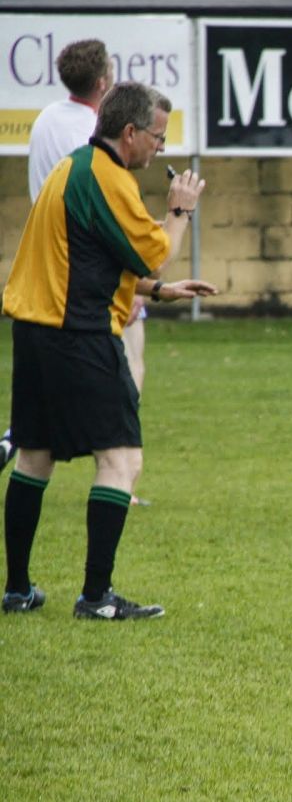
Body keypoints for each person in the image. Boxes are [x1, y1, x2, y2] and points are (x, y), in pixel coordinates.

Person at [1, 81, 218, 618]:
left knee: (34, 456)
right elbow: (155, 255)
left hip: (34, 328)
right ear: (129, 133)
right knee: (121, 460)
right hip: (78, 334)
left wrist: (162, 294)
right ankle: (97, 598)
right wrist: (181, 210)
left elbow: (94, 260)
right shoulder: (109, 179)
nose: (161, 148)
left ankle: (18, 590)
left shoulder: (72, 168)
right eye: (158, 137)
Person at [2, 39, 152, 488]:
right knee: (127, 364)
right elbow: (102, 205)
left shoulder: (46, 119)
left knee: (45, 392)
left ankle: (24, 439)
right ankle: (119, 468)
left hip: (46, 260)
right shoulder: (93, 137)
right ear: (104, 83)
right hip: (87, 272)